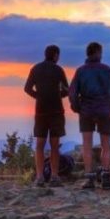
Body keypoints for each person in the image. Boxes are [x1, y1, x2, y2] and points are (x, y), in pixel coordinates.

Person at [69, 42, 110, 190]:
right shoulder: (107, 70)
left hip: (86, 110)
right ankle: (105, 176)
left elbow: (72, 93)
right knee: (106, 145)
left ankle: (89, 178)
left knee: (87, 145)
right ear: (98, 53)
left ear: (87, 53)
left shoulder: (80, 71)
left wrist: (77, 108)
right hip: (104, 109)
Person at [24, 44, 69, 187]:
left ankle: (39, 176)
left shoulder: (35, 69)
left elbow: (27, 88)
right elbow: (67, 89)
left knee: (39, 145)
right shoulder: (58, 70)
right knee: (54, 145)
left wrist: (39, 96)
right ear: (55, 55)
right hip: (56, 111)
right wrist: (58, 95)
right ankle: (55, 176)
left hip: (41, 111)